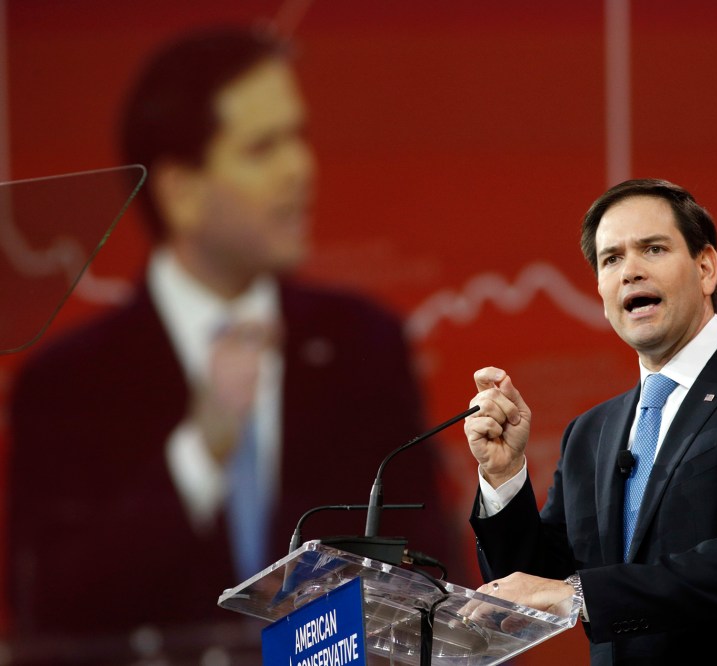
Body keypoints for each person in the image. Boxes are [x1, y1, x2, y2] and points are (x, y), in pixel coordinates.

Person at [7, 26, 451, 662]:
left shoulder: (364, 346)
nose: (301, 167)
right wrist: (198, 456)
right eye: (263, 147)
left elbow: (429, 577)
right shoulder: (70, 382)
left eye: (298, 137)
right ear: (181, 192)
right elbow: (49, 608)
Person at [464, 179, 717, 665]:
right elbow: (535, 586)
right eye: (611, 259)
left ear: (705, 267)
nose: (630, 272)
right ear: (600, 291)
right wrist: (504, 476)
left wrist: (579, 596)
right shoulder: (591, 433)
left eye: (653, 249)